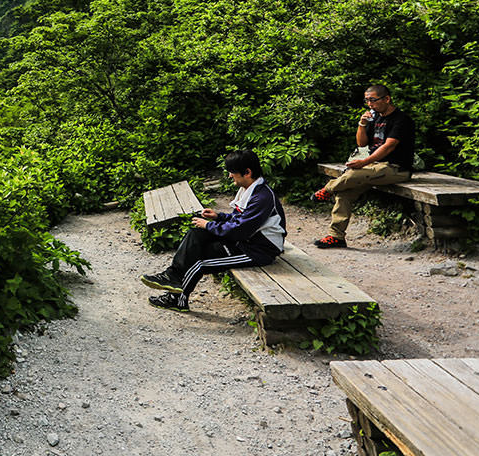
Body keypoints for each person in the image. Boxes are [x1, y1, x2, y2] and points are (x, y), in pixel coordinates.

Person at [142, 149, 287, 312]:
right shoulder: (248, 189)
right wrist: (219, 216)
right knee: (196, 235)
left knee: (201, 261)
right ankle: (173, 276)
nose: (230, 176)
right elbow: (238, 219)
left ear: (247, 172)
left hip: (258, 250)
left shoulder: (262, 198)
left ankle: (177, 299)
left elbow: (239, 230)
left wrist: (208, 225)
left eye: (232, 172)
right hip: (246, 241)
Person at [312, 84, 415, 248]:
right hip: (374, 167)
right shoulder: (376, 118)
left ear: (386, 99)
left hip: (396, 168)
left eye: (373, 100)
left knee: (353, 175)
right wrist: (362, 124)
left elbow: (389, 146)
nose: (369, 104)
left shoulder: (401, 120)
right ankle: (336, 237)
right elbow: (362, 144)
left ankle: (327, 190)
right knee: (344, 193)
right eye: (367, 100)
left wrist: (363, 163)